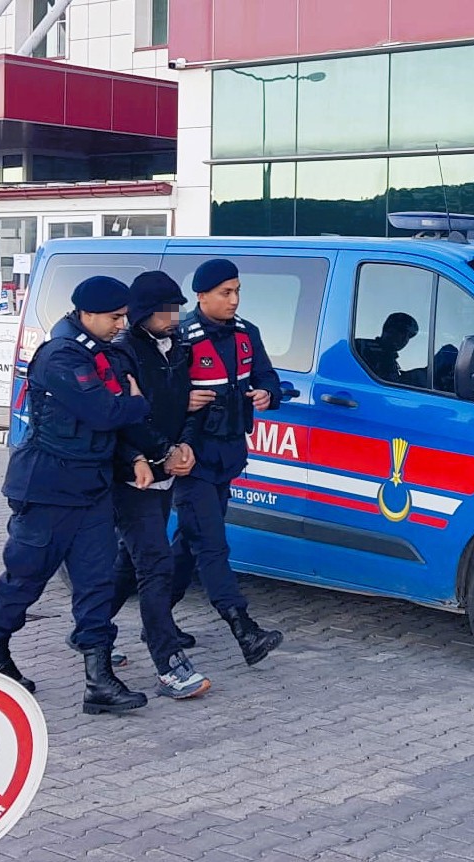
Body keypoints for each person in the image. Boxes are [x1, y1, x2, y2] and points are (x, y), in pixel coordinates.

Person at [0, 275, 155, 716]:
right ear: (88, 313)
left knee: (95, 583)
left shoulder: (102, 354)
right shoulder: (60, 356)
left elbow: (113, 424)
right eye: (115, 317)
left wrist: (132, 453)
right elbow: (104, 412)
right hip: (47, 490)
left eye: (124, 317)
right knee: (25, 578)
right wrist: (137, 404)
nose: (121, 325)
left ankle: (99, 682)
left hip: (91, 488)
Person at [173, 258, 285, 666]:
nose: (234, 300)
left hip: (228, 454)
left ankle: (143, 618)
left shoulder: (246, 334)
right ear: (201, 295)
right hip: (191, 458)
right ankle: (244, 629)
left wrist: (266, 395)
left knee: (187, 542)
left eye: (237, 291)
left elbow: (269, 378)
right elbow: (157, 398)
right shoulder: (181, 338)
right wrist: (182, 401)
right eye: (225, 292)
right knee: (211, 543)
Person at [109, 271, 211, 699]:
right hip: (132, 475)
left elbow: (190, 402)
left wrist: (184, 445)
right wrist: (156, 452)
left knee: (130, 564)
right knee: (156, 565)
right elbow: (126, 416)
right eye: (166, 309)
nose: (175, 316)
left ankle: (89, 630)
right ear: (143, 312)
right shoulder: (122, 353)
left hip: (169, 469)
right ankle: (169, 664)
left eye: (177, 308)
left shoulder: (180, 347)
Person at [356, 312, 419, 383]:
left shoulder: (390, 358)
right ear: (387, 329)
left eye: (409, 336)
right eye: (402, 331)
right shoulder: (359, 347)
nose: (405, 338)